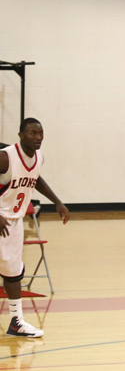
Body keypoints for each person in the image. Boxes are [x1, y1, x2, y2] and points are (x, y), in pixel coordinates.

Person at [0, 119, 69, 338]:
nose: (38, 137)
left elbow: (35, 178)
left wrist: (57, 201)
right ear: (21, 135)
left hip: (14, 221)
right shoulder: (5, 157)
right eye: (32, 133)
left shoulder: (38, 158)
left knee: (13, 274)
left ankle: (16, 322)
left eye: (40, 133)